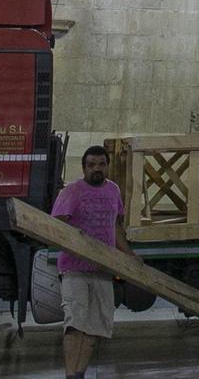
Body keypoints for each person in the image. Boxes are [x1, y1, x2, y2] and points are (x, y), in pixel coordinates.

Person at [52, 145, 128, 379]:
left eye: (101, 164)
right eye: (92, 165)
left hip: (102, 270)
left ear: (107, 166)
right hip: (74, 271)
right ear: (84, 167)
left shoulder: (113, 190)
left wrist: (130, 256)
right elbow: (58, 227)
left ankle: (79, 374)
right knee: (75, 325)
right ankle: (70, 374)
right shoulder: (72, 192)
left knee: (94, 329)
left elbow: (115, 227)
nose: (97, 169)